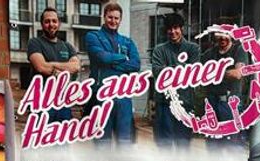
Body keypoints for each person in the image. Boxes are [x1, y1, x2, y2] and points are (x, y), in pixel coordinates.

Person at [86, 2, 141, 144]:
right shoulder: (93, 36)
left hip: (123, 98)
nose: (113, 21)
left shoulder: (127, 42)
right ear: (104, 17)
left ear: (120, 20)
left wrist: (111, 62)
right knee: (102, 143)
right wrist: (123, 58)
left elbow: (135, 65)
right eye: (110, 17)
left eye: (116, 18)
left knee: (125, 143)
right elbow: (101, 57)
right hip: (101, 96)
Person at [151, 13, 199, 147]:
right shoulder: (159, 50)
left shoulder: (193, 48)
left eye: (176, 28)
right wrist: (181, 68)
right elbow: (157, 72)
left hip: (185, 104)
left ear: (182, 28)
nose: (173, 32)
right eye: (169, 29)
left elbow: (193, 73)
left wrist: (168, 69)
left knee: (183, 146)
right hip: (164, 104)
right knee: (163, 147)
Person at [27, 6, 80, 121]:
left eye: (54, 21)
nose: (51, 25)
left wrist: (53, 68)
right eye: (47, 21)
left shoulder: (67, 46)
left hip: (63, 103)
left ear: (59, 23)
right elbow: (41, 67)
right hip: (41, 103)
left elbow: (76, 66)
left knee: (63, 136)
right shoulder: (35, 43)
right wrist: (65, 70)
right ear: (42, 24)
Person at [200, 29, 248, 146]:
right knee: (212, 142)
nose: (222, 38)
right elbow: (200, 74)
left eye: (226, 34)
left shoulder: (239, 50)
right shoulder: (209, 53)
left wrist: (214, 73)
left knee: (230, 142)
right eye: (219, 35)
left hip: (229, 103)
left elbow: (238, 74)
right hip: (211, 101)